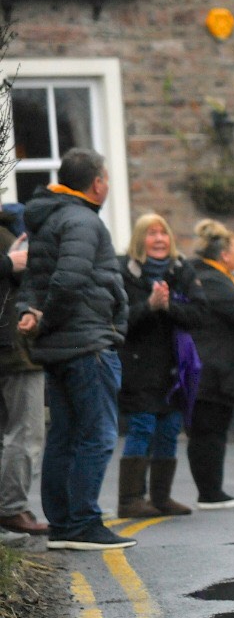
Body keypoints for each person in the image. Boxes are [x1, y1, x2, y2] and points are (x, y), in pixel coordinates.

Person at [15, 148, 133, 550]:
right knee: (97, 435)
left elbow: (33, 278)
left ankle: (64, 525)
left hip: (59, 347)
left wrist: (30, 312)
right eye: (107, 178)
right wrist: (45, 316)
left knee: (65, 435)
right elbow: (69, 280)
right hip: (87, 343)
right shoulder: (83, 220)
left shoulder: (48, 220)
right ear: (97, 183)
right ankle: (82, 522)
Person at [117, 214, 206, 518]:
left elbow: (199, 314)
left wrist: (168, 307)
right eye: (151, 233)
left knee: (169, 429)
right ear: (139, 240)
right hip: (138, 367)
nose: (158, 239)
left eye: (163, 233)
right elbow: (119, 321)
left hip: (174, 368)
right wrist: (149, 307)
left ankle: (161, 497)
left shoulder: (182, 270)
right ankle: (130, 499)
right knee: (142, 428)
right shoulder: (124, 273)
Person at [188, 220, 234, 510]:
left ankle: (211, 490)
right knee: (208, 431)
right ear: (224, 255)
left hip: (215, 366)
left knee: (212, 429)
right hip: (211, 368)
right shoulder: (212, 279)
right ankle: (209, 493)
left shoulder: (216, 277)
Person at [0, 208, 46, 538]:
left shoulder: (9, 225)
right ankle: (12, 507)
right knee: (26, 431)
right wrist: (10, 264)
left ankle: (13, 505)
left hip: (15, 344)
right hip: (13, 348)